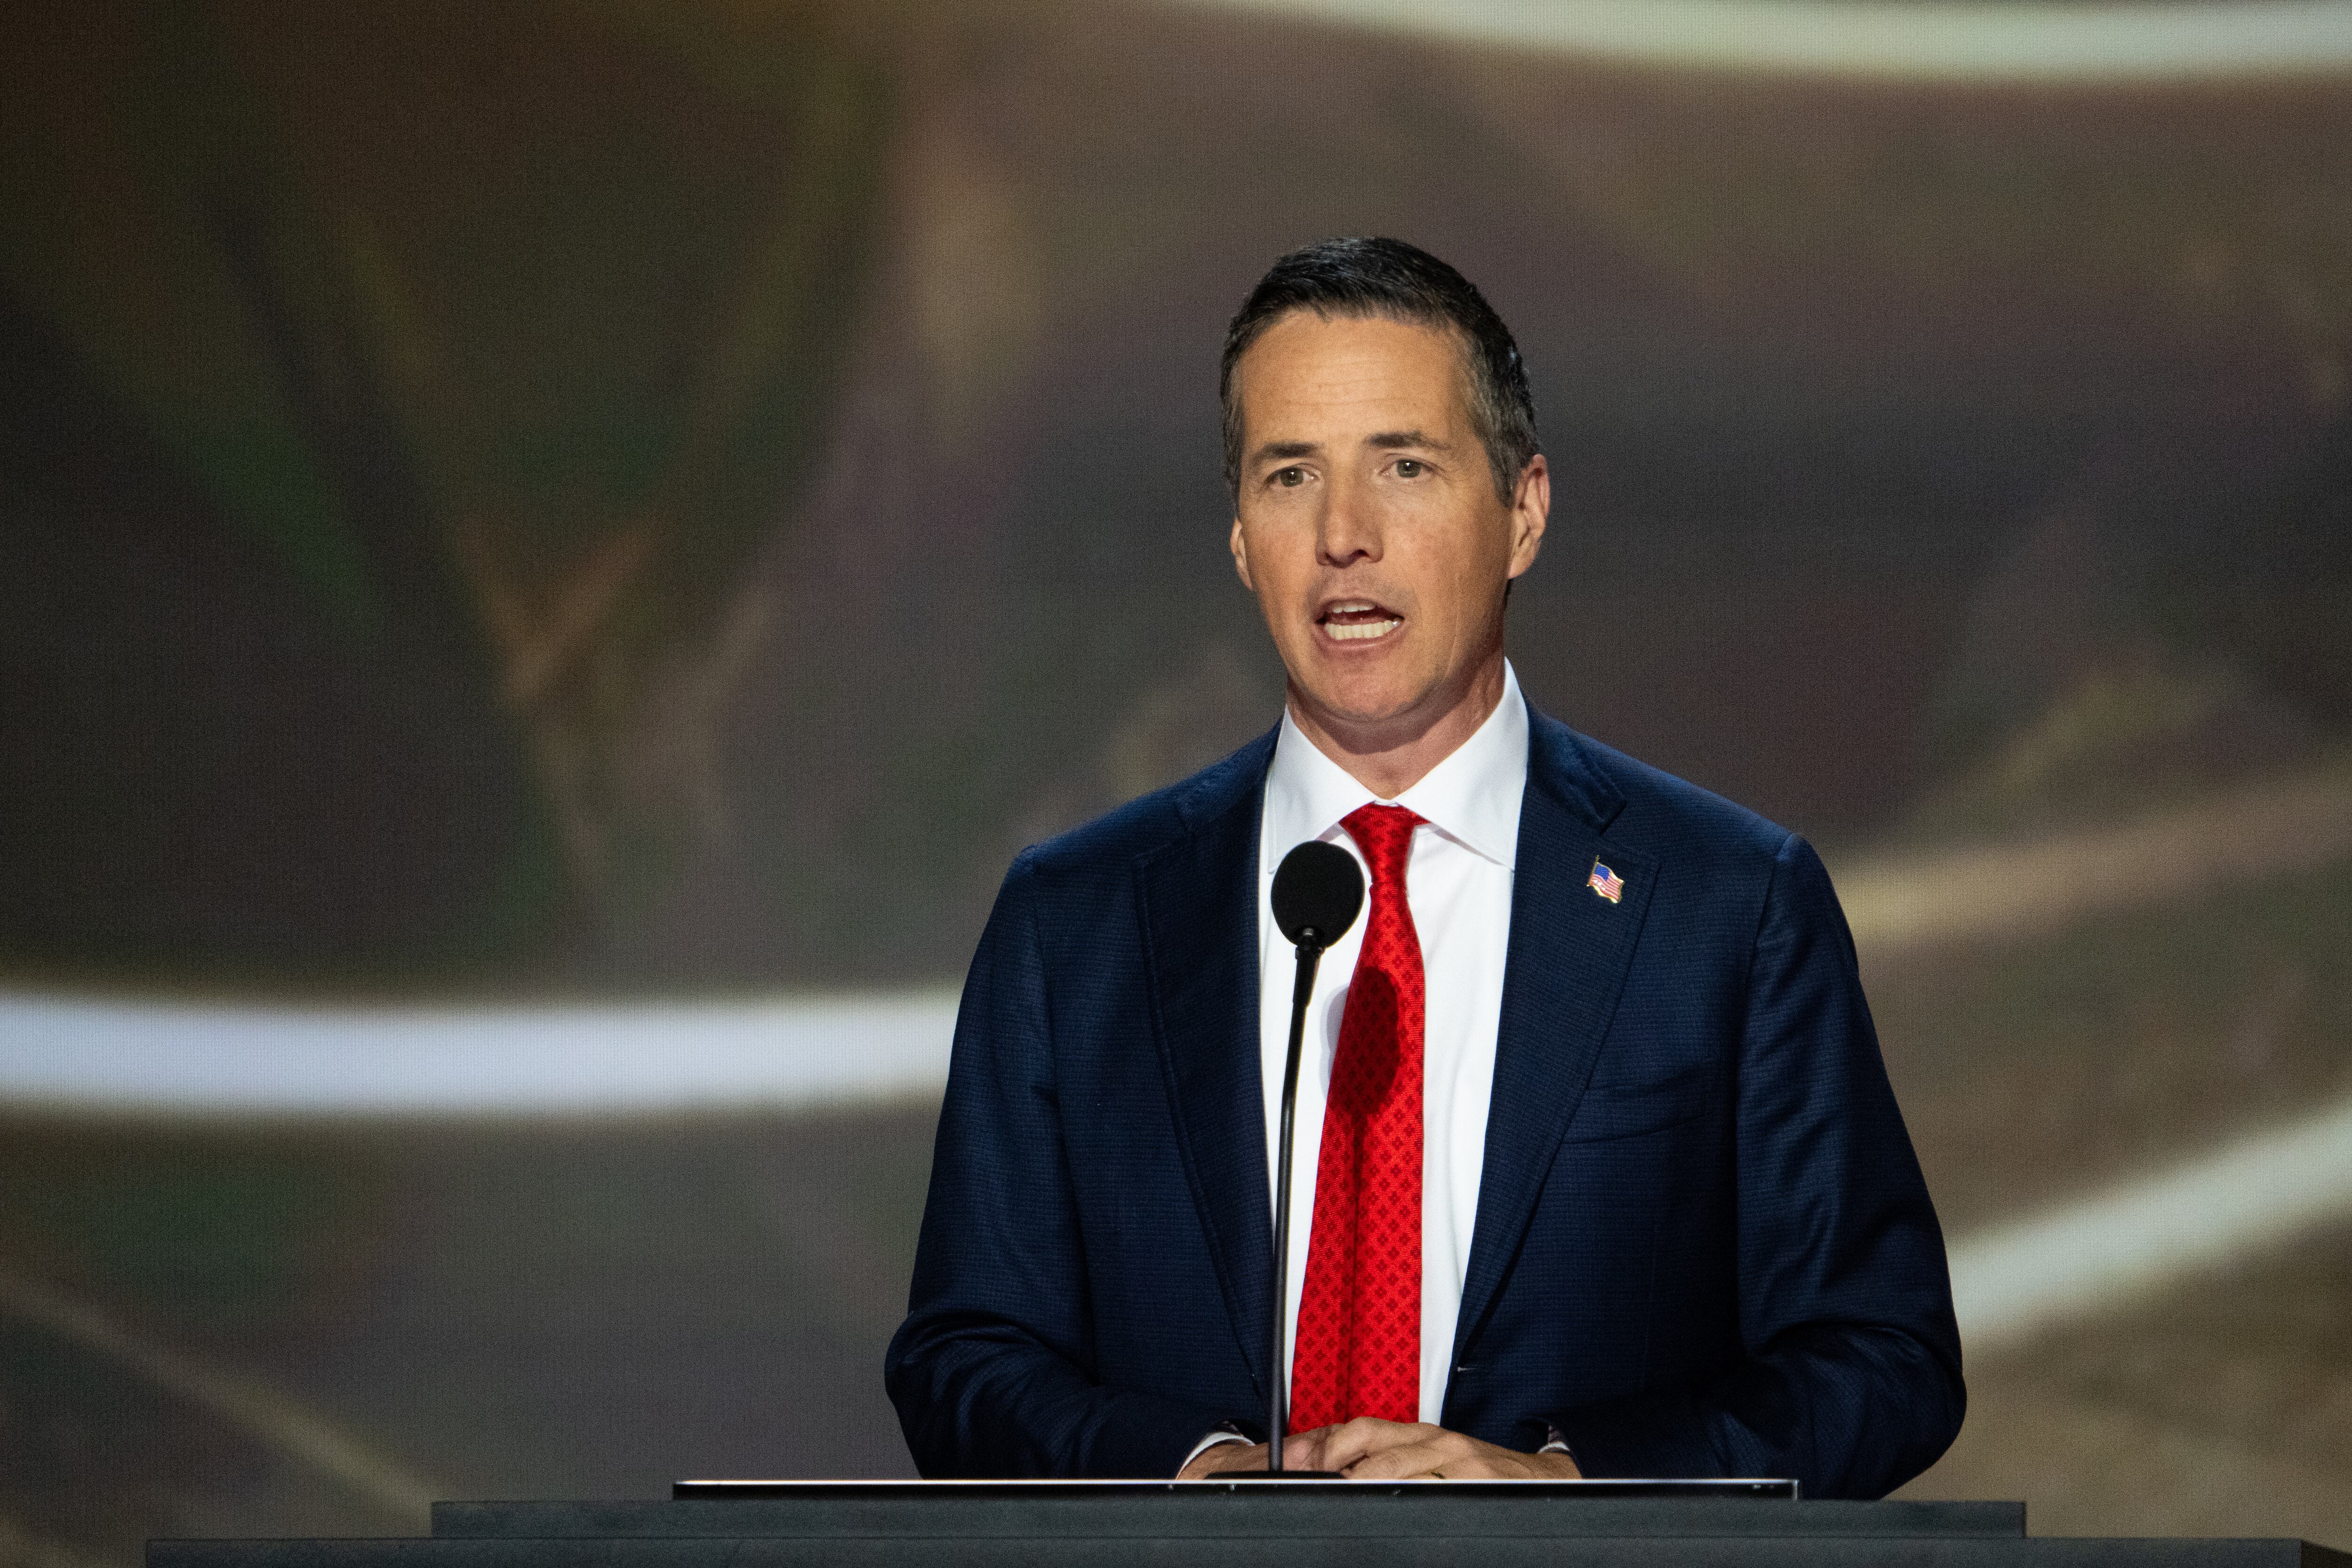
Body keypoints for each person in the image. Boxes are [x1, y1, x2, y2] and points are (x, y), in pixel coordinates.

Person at [883, 237, 1963, 1496]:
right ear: (1240, 538)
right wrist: (1190, 1474)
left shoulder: (1727, 907)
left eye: (1403, 465)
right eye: (1290, 476)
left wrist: (1565, 1491)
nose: (1346, 534)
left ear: (1524, 511)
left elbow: (1881, 1359)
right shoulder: (1074, 925)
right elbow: (967, 1358)